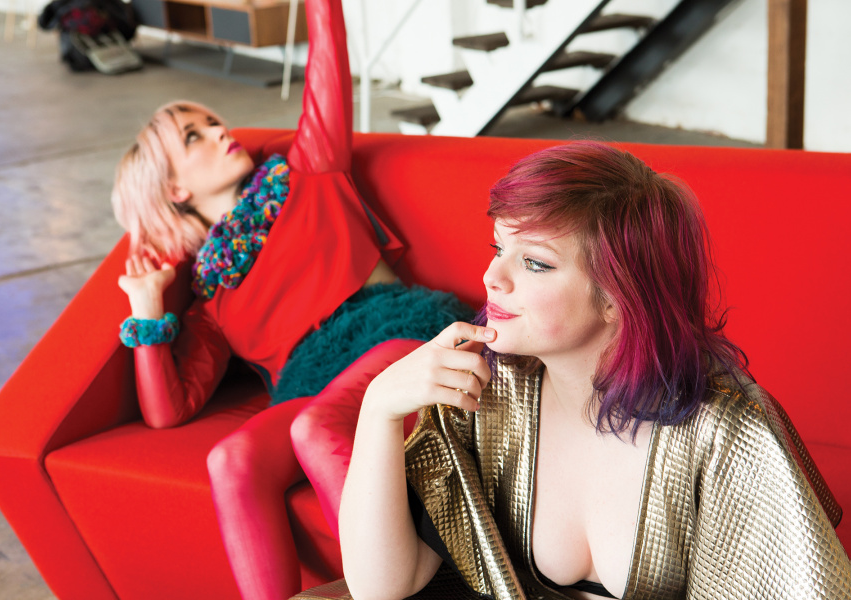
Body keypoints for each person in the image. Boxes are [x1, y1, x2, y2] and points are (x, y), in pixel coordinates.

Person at [339, 142, 851, 600]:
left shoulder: (725, 430)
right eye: (499, 248)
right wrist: (379, 409)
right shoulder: (488, 391)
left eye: (535, 263)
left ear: (618, 297)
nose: (492, 276)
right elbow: (381, 587)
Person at [110, 0, 471, 598]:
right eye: (195, 136)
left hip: (395, 338)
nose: (221, 131)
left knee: (315, 426)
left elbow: (328, 63)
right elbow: (167, 411)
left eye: (212, 120)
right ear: (174, 190)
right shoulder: (210, 300)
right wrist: (146, 309)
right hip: (315, 386)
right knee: (230, 460)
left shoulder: (308, 171)